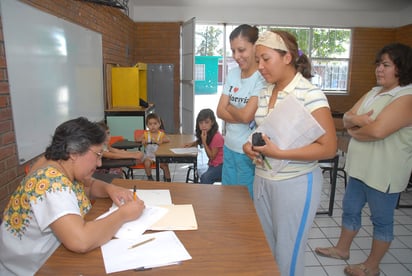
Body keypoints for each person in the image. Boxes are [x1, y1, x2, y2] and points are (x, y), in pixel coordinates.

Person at [242, 30, 337, 276]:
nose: (260, 66)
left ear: (287, 57)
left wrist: (281, 153)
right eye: (257, 60)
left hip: (296, 183)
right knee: (267, 247)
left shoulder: (309, 93)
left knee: (288, 254)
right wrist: (249, 145)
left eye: (266, 59)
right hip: (264, 180)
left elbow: (328, 147)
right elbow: (263, 130)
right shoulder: (265, 91)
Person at [0, 117, 145, 275]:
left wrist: (110, 189)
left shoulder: (62, 167)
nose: (99, 164)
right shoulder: (50, 184)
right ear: (74, 153)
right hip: (30, 269)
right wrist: (123, 214)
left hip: (52, 256)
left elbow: (88, 187)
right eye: (97, 155)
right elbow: (81, 240)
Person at [315, 43, 412, 276]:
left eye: (386, 65)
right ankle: (342, 249)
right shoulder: (373, 92)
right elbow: (347, 117)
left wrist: (355, 131)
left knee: (381, 220)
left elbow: (378, 132)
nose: (379, 69)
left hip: (384, 172)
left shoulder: (406, 96)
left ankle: (372, 266)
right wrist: (356, 122)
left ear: (402, 68)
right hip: (359, 168)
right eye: (378, 64)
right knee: (350, 210)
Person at [216, 24, 266, 198]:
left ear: (255, 47)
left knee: (246, 203)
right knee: (228, 198)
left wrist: (229, 106)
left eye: (241, 50)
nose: (236, 56)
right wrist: (240, 112)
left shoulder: (261, 78)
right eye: (233, 51)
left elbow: (247, 116)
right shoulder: (232, 74)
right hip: (228, 147)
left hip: (248, 152)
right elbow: (219, 111)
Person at [185, 108, 224, 184]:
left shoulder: (217, 137)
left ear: (212, 122)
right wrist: (192, 144)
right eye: (201, 123)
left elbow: (212, 156)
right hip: (213, 165)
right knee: (203, 177)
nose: (203, 125)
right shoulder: (208, 132)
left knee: (205, 178)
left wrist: (204, 142)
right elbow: (200, 140)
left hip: (221, 166)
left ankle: (204, 195)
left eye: (206, 122)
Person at [135, 113, 171, 181]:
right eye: (150, 124)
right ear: (147, 125)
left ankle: (168, 180)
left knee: (165, 165)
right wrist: (142, 140)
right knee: (147, 163)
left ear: (159, 124)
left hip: (159, 156)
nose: (153, 126)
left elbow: (168, 139)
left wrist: (161, 140)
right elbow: (137, 139)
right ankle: (150, 177)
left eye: (155, 123)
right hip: (148, 156)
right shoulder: (146, 134)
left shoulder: (161, 134)